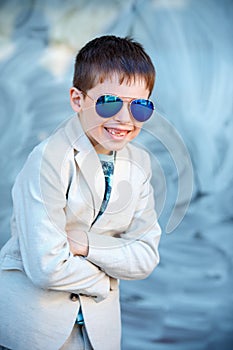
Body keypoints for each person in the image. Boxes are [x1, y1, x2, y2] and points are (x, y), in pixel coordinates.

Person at [0, 35, 161, 350]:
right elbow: (46, 267)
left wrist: (86, 245)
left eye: (139, 106)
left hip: (99, 335)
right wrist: (106, 279)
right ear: (77, 99)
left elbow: (145, 258)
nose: (125, 119)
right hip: (32, 331)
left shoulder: (140, 163)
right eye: (109, 102)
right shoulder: (48, 158)